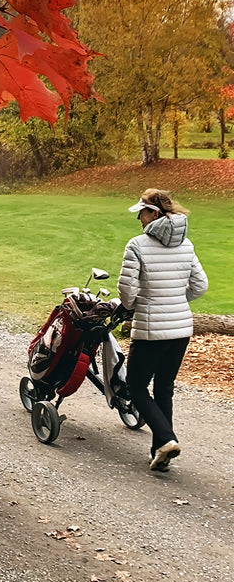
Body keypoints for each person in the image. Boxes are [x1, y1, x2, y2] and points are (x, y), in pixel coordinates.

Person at [118, 188, 208, 472]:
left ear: (153, 214)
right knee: (164, 388)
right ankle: (160, 451)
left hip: (150, 328)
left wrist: (133, 305)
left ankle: (167, 438)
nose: (139, 220)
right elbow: (200, 286)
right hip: (181, 329)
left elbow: (127, 292)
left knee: (135, 386)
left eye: (141, 213)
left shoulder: (137, 245)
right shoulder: (186, 245)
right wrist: (175, 301)